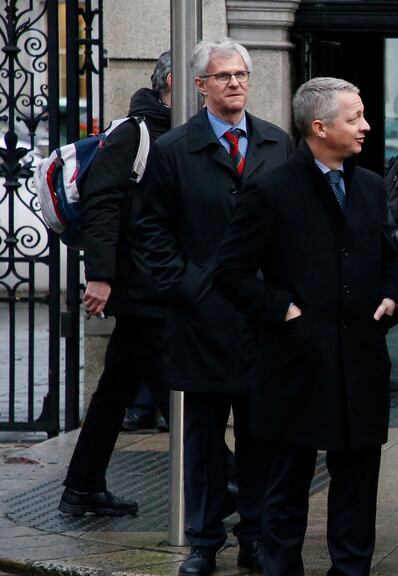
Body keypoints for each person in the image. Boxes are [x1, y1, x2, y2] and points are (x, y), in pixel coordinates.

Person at [214, 77, 398, 575]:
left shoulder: (370, 185)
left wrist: (391, 296)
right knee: (286, 487)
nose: (366, 126)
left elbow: (389, 258)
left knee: (358, 487)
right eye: (354, 118)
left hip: (360, 360)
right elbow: (230, 273)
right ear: (319, 128)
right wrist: (282, 310)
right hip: (295, 362)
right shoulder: (270, 188)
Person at [137, 37, 292, 576]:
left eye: (241, 75)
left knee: (260, 436)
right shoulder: (175, 149)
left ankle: (255, 534)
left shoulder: (276, 143)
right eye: (223, 76)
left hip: (261, 318)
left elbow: (294, 227)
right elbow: (150, 229)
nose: (234, 83)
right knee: (203, 441)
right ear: (200, 86)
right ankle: (204, 541)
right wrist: (186, 287)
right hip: (200, 319)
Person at [58, 51, 174, 518]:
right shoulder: (135, 133)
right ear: (170, 84)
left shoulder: (174, 130)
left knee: (121, 383)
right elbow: (102, 205)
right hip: (140, 284)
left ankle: (82, 485)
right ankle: (223, 475)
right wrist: (100, 276)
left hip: (159, 281)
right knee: (167, 378)